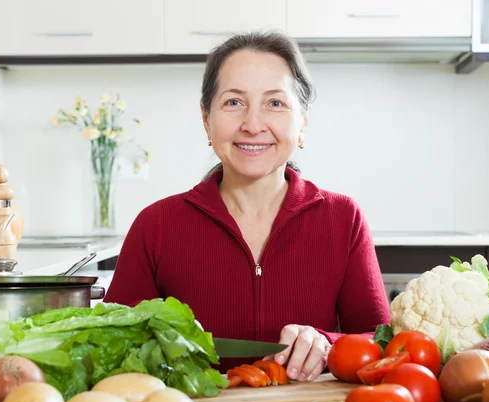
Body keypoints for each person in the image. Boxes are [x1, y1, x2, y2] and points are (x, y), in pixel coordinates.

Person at [104, 30, 390, 382]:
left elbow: (381, 343)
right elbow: (112, 344)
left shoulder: (343, 219)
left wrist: (328, 343)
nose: (253, 125)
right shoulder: (156, 225)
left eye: (275, 103)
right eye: (234, 103)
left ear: (303, 123)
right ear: (206, 119)